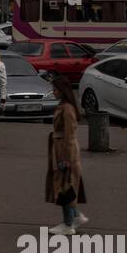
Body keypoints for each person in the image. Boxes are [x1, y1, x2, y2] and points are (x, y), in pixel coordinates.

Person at [45, 75, 88, 235]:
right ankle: (76, 216)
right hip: (61, 148)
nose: (53, 92)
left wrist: (65, 159)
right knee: (66, 185)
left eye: (55, 90)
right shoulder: (64, 105)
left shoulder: (67, 108)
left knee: (64, 186)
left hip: (64, 150)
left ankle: (68, 224)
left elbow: (70, 135)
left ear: (62, 91)